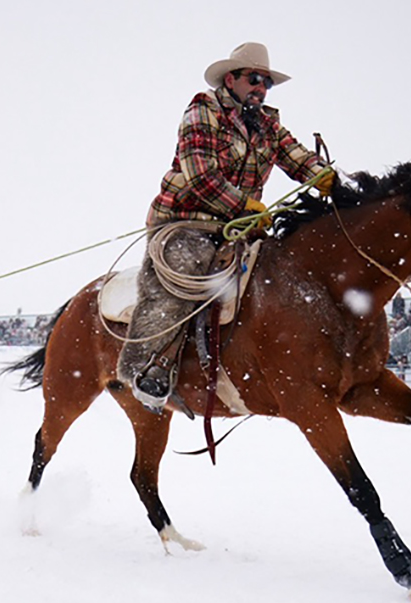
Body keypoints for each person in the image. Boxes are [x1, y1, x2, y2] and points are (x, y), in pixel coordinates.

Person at [116, 42, 334, 410]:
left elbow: (297, 157)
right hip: (187, 221)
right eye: (254, 79)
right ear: (230, 79)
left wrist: (325, 177)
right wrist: (245, 205)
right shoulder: (203, 109)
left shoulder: (267, 124)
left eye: (266, 82)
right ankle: (149, 366)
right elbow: (200, 176)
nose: (261, 88)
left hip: (239, 227)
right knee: (184, 274)